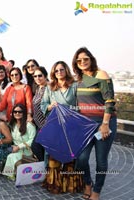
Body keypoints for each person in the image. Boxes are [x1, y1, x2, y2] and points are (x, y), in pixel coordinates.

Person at [72, 47, 116, 200]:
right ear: (76, 63)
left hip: (103, 123)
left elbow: (109, 100)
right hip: (86, 125)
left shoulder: (101, 74)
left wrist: (105, 124)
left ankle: (96, 191)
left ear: (91, 59)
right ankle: (88, 183)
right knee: (82, 158)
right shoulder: (79, 79)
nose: (82, 62)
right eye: (79, 60)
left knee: (101, 160)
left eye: (85, 59)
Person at [40, 61, 80, 194]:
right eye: (56, 71)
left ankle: (70, 184)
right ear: (53, 73)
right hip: (55, 125)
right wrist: (50, 106)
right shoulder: (50, 86)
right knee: (54, 156)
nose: (59, 72)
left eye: (61, 70)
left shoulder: (74, 86)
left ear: (66, 70)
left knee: (70, 156)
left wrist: (67, 109)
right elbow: (43, 104)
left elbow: (80, 105)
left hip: (71, 126)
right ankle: (54, 183)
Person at [2, 104, 36, 180]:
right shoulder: (12, 125)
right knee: (4, 153)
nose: (17, 113)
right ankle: (13, 173)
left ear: (24, 113)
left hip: (27, 151)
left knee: (10, 156)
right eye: (15, 112)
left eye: (20, 112)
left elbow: (32, 140)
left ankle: (12, 174)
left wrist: (19, 146)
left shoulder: (29, 125)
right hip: (15, 150)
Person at [31, 66, 48, 161]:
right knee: (41, 148)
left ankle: (44, 168)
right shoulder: (38, 88)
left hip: (46, 124)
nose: (37, 78)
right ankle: (45, 170)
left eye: (40, 75)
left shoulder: (48, 88)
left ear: (45, 76)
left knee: (35, 146)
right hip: (38, 124)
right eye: (35, 76)